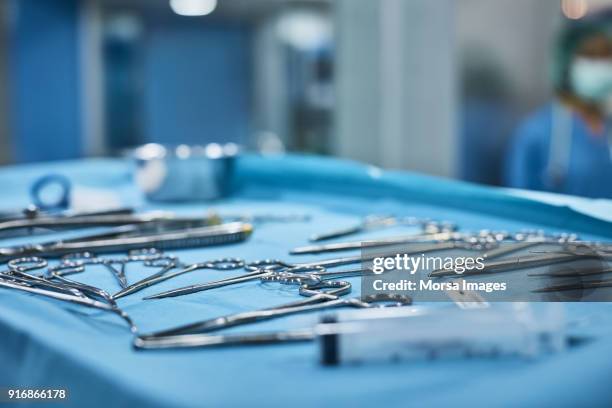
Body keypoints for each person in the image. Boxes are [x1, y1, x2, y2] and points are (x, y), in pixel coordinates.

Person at [506, 10, 612, 198]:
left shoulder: (606, 127)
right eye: (591, 57)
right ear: (567, 63)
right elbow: (519, 207)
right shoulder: (537, 133)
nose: (602, 67)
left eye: (608, 57)